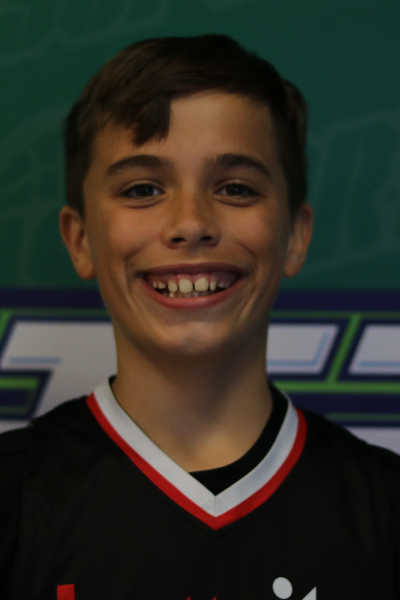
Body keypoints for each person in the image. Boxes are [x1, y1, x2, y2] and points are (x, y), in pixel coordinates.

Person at [0, 34, 399, 600]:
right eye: (143, 189)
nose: (190, 223)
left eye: (235, 188)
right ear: (81, 239)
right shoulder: (14, 498)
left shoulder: (384, 510)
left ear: (294, 235)